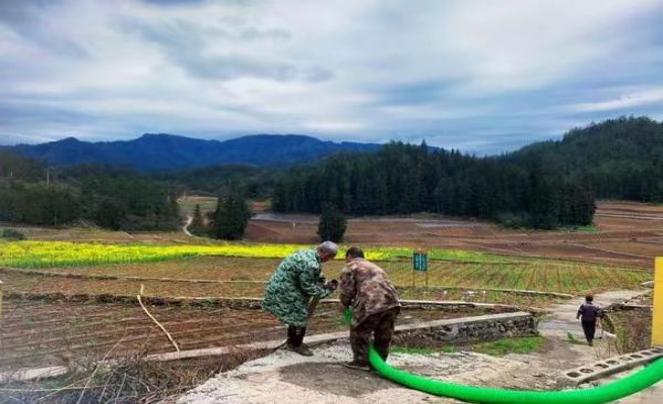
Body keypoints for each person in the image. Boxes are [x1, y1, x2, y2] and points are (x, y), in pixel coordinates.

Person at [263, 241, 339, 356]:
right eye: (329, 257)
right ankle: (296, 344)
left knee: (295, 315)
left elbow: (315, 273)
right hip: (285, 290)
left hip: (280, 286)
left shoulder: (308, 253)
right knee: (301, 316)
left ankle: (291, 341)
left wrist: (323, 281)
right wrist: (328, 290)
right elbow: (309, 288)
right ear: (326, 254)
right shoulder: (311, 264)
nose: (328, 260)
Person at [339, 246, 400, 370]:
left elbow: (347, 290)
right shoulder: (374, 266)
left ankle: (361, 362)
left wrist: (344, 304)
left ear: (349, 256)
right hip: (392, 302)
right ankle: (380, 364)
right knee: (384, 334)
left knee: (359, 330)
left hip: (371, 303)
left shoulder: (351, 266)